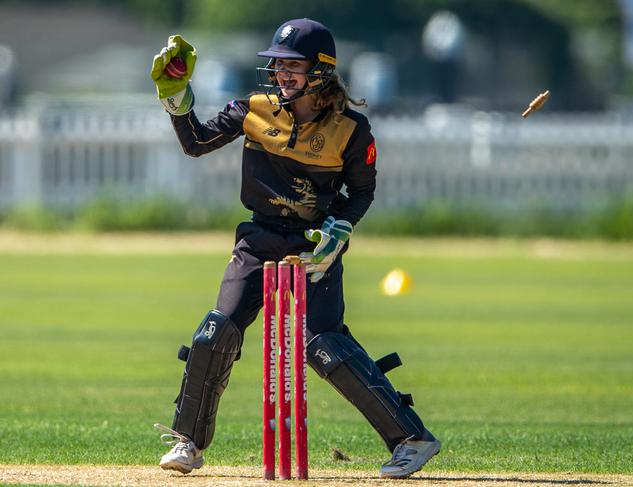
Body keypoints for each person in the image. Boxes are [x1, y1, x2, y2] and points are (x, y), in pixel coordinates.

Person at [150, 18, 441, 479]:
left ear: (321, 71)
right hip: (259, 237)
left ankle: (412, 440)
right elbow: (197, 142)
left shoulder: (352, 130)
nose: (281, 74)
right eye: (277, 65)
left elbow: (361, 192)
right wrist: (176, 99)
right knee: (215, 331)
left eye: (292, 66)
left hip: (314, 246)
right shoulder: (254, 108)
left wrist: (340, 229)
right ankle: (188, 442)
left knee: (323, 346)